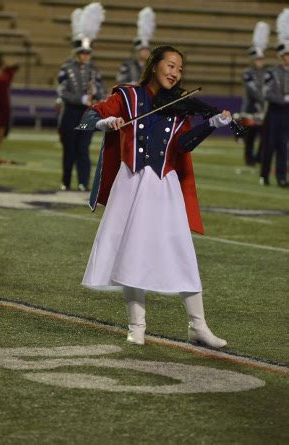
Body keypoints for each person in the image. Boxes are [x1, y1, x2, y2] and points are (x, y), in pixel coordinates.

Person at [79, 45, 232, 348]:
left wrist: (211, 125)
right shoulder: (127, 96)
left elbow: (183, 146)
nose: (175, 73)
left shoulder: (180, 105)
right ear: (154, 66)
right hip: (131, 183)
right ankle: (137, 326)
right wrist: (103, 123)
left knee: (182, 251)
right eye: (171, 66)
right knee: (131, 253)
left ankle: (198, 326)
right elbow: (85, 118)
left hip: (165, 184)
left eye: (180, 69)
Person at [57, 2, 106, 191]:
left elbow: (101, 89)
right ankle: (66, 181)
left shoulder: (94, 70)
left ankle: (83, 182)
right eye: (83, 53)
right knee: (69, 148)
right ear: (77, 53)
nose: (86, 56)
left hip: (87, 113)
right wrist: (81, 99)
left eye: (88, 53)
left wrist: (96, 97)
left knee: (83, 148)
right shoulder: (66, 68)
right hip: (70, 112)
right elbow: (62, 91)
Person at [260, 9, 289, 187]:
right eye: (286, 55)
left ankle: (281, 177)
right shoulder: (272, 71)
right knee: (269, 145)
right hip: (274, 112)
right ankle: (264, 175)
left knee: (283, 146)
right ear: (281, 56)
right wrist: (283, 99)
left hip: (287, 114)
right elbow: (266, 93)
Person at [240, 22, 270, 166]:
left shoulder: (267, 73)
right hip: (251, 108)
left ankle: (259, 157)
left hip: (264, 108)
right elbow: (252, 91)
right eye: (258, 59)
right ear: (253, 60)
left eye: (261, 59)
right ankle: (249, 159)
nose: (260, 61)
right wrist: (263, 100)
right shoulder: (247, 73)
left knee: (264, 136)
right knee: (250, 136)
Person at [116, 7, 155, 85]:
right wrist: (134, 84)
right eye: (143, 50)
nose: (146, 52)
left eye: (147, 50)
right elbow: (120, 81)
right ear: (138, 51)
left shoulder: (153, 66)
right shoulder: (127, 65)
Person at [0, 53, 19, 148]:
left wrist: (5, 64)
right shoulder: (5, 73)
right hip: (2, 101)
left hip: (2, 102)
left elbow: (16, 65)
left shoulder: (5, 73)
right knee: (1, 122)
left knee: (1, 122)